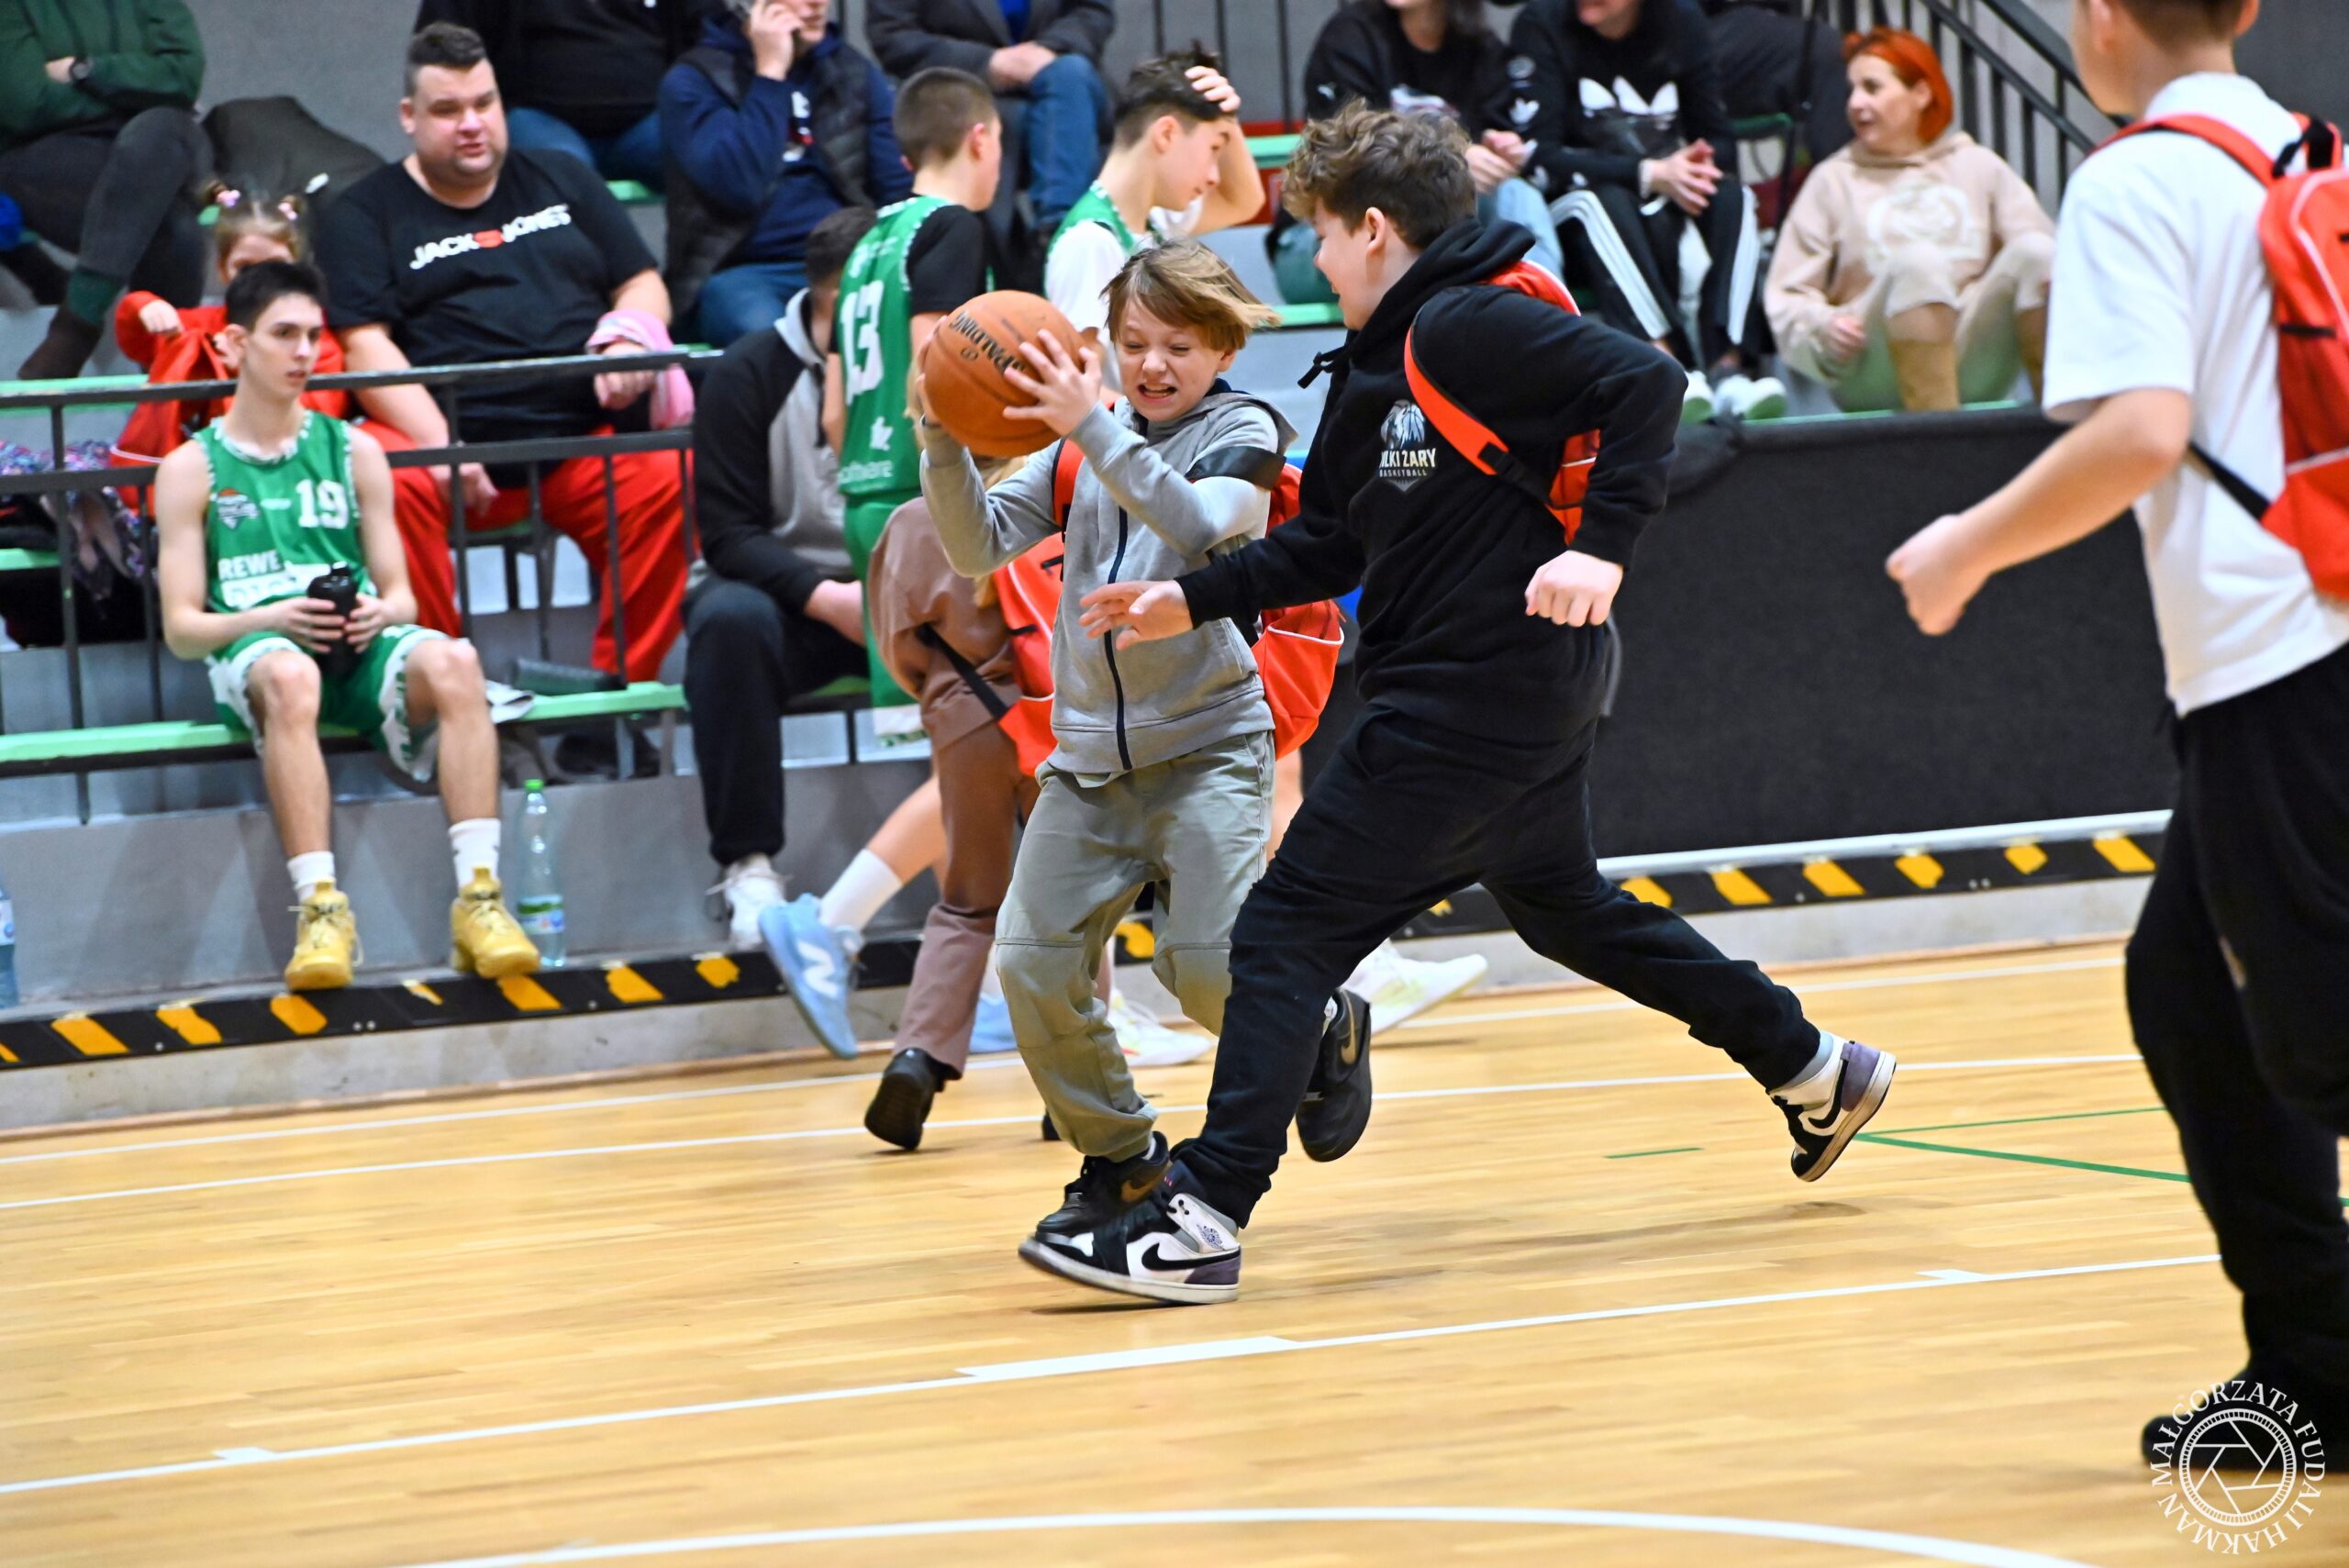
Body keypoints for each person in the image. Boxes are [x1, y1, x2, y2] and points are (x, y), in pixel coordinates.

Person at [1041, 106, 1896, 1305]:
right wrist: (1190, 597)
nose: (1311, 258)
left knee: (1281, 935)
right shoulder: (1380, 360)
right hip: (1510, 696)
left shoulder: (1463, 321)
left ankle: (1202, 1215)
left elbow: (1648, 381)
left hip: (1474, 694)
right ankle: (1812, 1064)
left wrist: (1602, 549)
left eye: (1321, 235)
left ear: (1374, 230)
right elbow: (1331, 541)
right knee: (1568, 911)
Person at [1886, 0, 2349, 1465]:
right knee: (2192, 993)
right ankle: (2317, 1362)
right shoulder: (2314, 148)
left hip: (2288, 650)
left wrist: (1963, 548)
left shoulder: (2140, 175)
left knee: (2324, 1037)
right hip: (2299, 635)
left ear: (2095, 21)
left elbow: (2142, 430)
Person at [919, 240, 1357, 1252]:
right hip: (1086, 763)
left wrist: (1089, 424)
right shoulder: (1086, 439)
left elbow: (1206, 523)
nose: (1152, 364)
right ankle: (1122, 1159)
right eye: (1133, 342)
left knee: (1204, 969)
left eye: (1178, 346)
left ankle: (1325, 1020)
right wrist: (943, 439)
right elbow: (976, 543)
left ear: (1223, 347)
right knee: (1031, 966)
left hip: (1210, 745)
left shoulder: (1245, 428)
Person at [151, 261, 540, 993]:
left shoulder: (356, 450)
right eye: (283, 334)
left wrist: (377, 613)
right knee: (290, 673)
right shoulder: (189, 468)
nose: (303, 351)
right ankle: (321, 911)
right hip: (259, 650)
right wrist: (273, 617)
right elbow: (181, 628)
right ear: (234, 344)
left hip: (357, 649)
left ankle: (481, 900)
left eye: (313, 335)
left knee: (456, 660)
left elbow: (402, 599)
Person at [317, 23, 688, 684]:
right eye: (447, 110)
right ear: (408, 116)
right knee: (389, 475)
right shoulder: (363, 212)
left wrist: (630, 334)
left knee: (669, 475)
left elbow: (641, 281)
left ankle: (613, 699)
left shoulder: (562, 175)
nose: (471, 124)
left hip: (578, 440)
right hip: (452, 446)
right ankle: (444, 690)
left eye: (483, 104)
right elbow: (364, 345)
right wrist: (440, 445)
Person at [687, 206, 878, 951]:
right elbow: (728, 534)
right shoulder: (746, 373)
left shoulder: (931, 360)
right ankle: (748, 867)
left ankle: (1034, 855)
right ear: (840, 299)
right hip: (789, 598)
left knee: (1006, 612)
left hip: (897, 588)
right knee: (728, 621)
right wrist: (828, 599)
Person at [859, 470, 1036, 1148]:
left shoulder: (914, 519)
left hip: (967, 717)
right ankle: (1077, 1088)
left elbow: (898, 646)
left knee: (967, 902)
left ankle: (918, 1056)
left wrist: (949, 694)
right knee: (1074, 904)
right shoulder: (1062, 498)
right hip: (1059, 718)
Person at [1510, 0, 1784, 421]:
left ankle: (1729, 372)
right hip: (1575, 208)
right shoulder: (1541, 22)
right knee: (1601, 203)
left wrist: (1696, 164)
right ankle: (1666, 368)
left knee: (1734, 197)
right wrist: (1647, 173)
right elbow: (1538, 157)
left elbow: (1719, 138)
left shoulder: (1682, 19)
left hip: (1663, 194)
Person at [1765, 28, 2054, 413]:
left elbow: (2044, 261)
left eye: (1872, 87)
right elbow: (1787, 293)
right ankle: (1932, 441)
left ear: (1921, 93)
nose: (1855, 103)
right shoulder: (1833, 179)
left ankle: (2065, 429)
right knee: (1919, 263)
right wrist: (1823, 327)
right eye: (1851, 90)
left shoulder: (1978, 166)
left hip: (1972, 354)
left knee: (2038, 253)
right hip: (1873, 369)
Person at [1273, 0, 1564, 303]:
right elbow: (1346, 165)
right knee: (1410, 242)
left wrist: (1498, 152)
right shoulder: (1349, 37)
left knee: (1515, 193)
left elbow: (1489, 145)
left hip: (1434, 239)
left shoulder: (1480, 49)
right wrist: (1451, 158)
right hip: (1325, 236)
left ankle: (1545, 314)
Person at [659, 0, 912, 344]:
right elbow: (739, 186)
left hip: (846, 258)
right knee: (770, 341)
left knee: (917, 320)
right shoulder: (695, 80)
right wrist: (770, 74)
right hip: (744, 269)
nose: (817, 3)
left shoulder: (849, 70)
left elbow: (895, 188)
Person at [0, 0, 207, 381]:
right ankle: (172, 384)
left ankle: (77, 321)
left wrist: (84, 69)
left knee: (159, 133)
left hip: (157, 144)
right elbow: (27, 103)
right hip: (51, 155)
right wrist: (135, 98)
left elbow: (183, 76)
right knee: (176, 228)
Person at [111, 189, 348, 480]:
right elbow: (138, 344)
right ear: (222, 269)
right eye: (245, 268)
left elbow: (319, 418)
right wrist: (143, 305)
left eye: (276, 266)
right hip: (203, 474)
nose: (261, 281)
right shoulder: (200, 326)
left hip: (288, 475)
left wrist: (251, 374)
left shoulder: (313, 338)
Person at [1042, 50, 1264, 359]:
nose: (1215, 177)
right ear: (1166, 134)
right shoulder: (1090, 242)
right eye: (1214, 148)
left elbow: (1243, 201)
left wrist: (1228, 119)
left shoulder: (1156, 220)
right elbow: (1082, 379)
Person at [865, 0, 1115, 241]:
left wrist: (1047, 51)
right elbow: (892, 33)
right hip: (962, 83)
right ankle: (999, 251)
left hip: (1056, 72)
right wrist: (990, 62)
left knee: (1070, 77)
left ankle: (1060, 232)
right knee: (993, 122)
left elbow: (1092, 10)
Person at [415, 0, 707, 191]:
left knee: (717, 157)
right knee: (563, 182)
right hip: (535, 114)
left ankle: (705, 269)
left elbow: (711, 31)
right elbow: (439, 39)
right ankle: (612, 270)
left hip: (652, 116)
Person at [1698, 0, 1850, 170]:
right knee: (1823, 46)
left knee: (1825, 45)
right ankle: (1839, 175)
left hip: (1722, 22)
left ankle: (1834, 171)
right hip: (1690, 31)